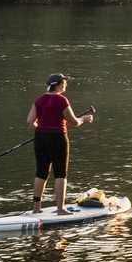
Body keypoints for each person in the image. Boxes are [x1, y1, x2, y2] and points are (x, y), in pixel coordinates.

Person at [26, 73, 95, 213]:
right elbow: (74, 122)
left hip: (40, 137)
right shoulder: (62, 100)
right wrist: (84, 119)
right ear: (57, 85)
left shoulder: (39, 99)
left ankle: (36, 208)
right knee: (60, 173)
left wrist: (41, 130)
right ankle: (60, 208)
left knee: (41, 172)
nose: (66, 85)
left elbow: (30, 122)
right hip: (57, 138)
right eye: (64, 82)